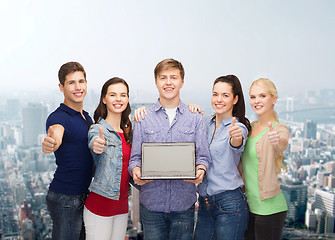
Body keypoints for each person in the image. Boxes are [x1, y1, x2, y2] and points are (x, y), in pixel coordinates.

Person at [128, 58, 211, 240]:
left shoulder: (194, 117)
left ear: (182, 81)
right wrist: (135, 171)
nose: (168, 82)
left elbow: (203, 156)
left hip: (184, 204)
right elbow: (135, 158)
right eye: (163, 77)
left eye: (173, 77)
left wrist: (200, 169)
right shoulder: (143, 118)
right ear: (156, 82)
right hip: (151, 205)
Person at [193, 75, 250, 240]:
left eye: (225, 95)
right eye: (215, 94)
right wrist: (191, 108)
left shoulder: (238, 128)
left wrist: (236, 137)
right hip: (204, 203)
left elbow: (237, 142)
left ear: (235, 99)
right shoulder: (205, 123)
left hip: (230, 203)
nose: (219, 99)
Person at [42, 62, 94, 240]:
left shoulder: (86, 117)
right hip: (66, 197)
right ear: (61, 87)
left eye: (81, 81)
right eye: (71, 82)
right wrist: (51, 143)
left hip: (81, 195)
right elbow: (56, 134)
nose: (78, 87)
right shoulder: (58, 117)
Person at [83, 77, 132, 240]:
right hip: (99, 208)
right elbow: (94, 142)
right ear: (104, 99)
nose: (118, 99)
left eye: (123, 95)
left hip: (122, 209)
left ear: (128, 99)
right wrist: (97, 145)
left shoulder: (129, 134)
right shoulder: (98, 129)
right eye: (113, 95)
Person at [241, 78, 289, 240]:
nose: (256, 101)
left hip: (271, 209)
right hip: (249, 207)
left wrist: (277, 141)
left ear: (274, 99)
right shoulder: (251, 126)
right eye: (253, 97)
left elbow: (282, 143)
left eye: (262, 96)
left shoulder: (279, 129)